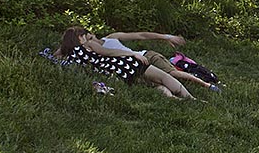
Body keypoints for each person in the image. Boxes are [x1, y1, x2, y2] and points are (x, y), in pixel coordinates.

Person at [55, 27, 194, 99]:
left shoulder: (70, 55)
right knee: (164, 77)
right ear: (80, 37)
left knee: (157, 85)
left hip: (116, 74)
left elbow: (55, 54)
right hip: (127, 63)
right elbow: (108, 52)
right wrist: (131, 54)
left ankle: (175, 99)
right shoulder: (89, 45)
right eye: (86, 35)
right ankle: (191, 98)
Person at [97, 30, 220, 93]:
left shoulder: (110, 38)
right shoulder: (94, 54)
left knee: (173, 74)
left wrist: (166, 37)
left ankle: (207, 85)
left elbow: (141, 35)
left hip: (146, 56)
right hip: (135, 68)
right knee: (159, 85)